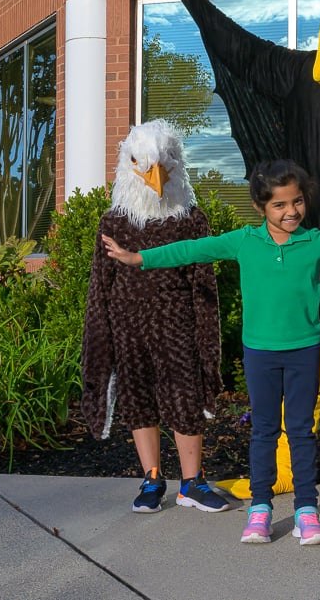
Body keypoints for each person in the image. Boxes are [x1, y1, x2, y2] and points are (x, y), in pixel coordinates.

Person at [102, 159, 320, 545]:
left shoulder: (315, 242)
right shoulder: (244, 241)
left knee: (301, 432)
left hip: (303, 352)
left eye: (297, 202)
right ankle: (260, 509)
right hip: (260, 355)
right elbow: (191, 250)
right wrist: (138, 259)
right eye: (280, 205)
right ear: (261, 207)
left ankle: (306, 510)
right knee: (265, 432)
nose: (291, 212)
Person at [82, 120, 232, 516]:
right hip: (126, 324)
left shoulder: (190, 220)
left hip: (176, 322)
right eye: (144, 167)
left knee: (185, 397)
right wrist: (102, 339)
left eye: (160, 167)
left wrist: (206, 339)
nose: (154, 179)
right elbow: (100, 286)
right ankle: (151, 478)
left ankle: (192, 482)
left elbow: (204, 286)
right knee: (137, 399)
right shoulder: (113, 223)